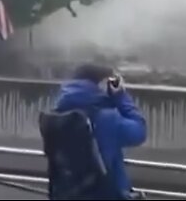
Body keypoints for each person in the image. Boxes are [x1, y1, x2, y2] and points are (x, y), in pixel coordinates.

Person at [40, 62, 147, 200]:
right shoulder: (107, 119)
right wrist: (121, 96)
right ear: (102, 84)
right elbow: (140, 131)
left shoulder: (57, 115)